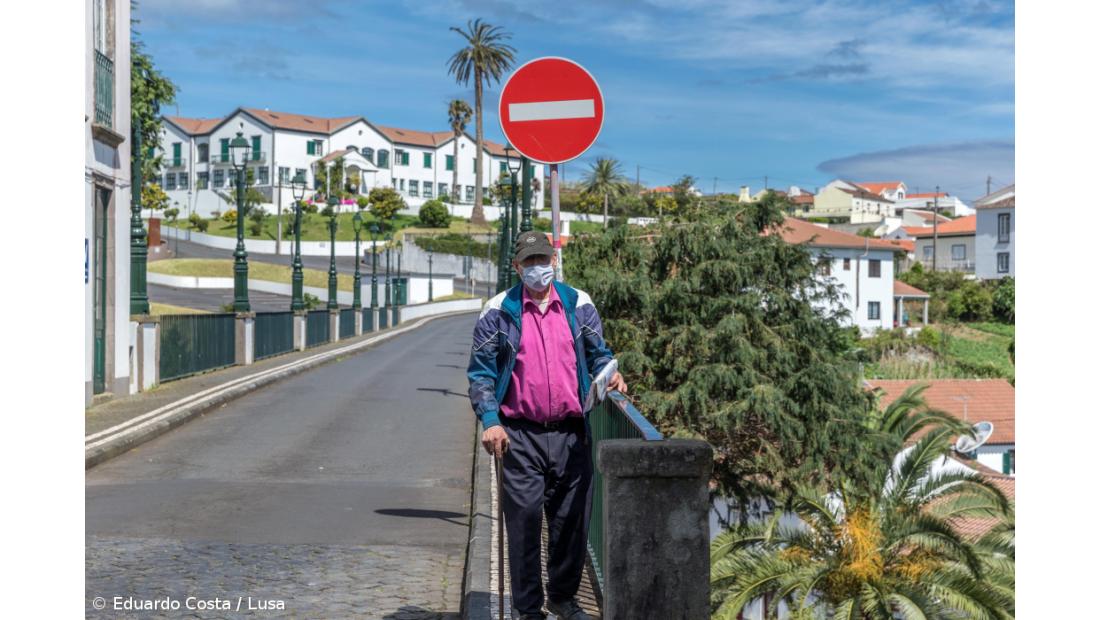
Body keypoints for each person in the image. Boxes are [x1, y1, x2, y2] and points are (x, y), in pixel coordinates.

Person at [467, 230, 626, 620]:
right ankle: (527, 609)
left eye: (544, 259)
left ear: (553, 261)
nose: (539, 268)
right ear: (517, 266)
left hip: (572, 433)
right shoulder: (498, 310)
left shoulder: (578, 303)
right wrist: (490, 420)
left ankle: (562, 598)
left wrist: (610, 375)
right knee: (522, 526)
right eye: (530, 262)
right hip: (520, 435)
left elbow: (598, 353)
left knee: (571, 523)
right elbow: (481, 374)